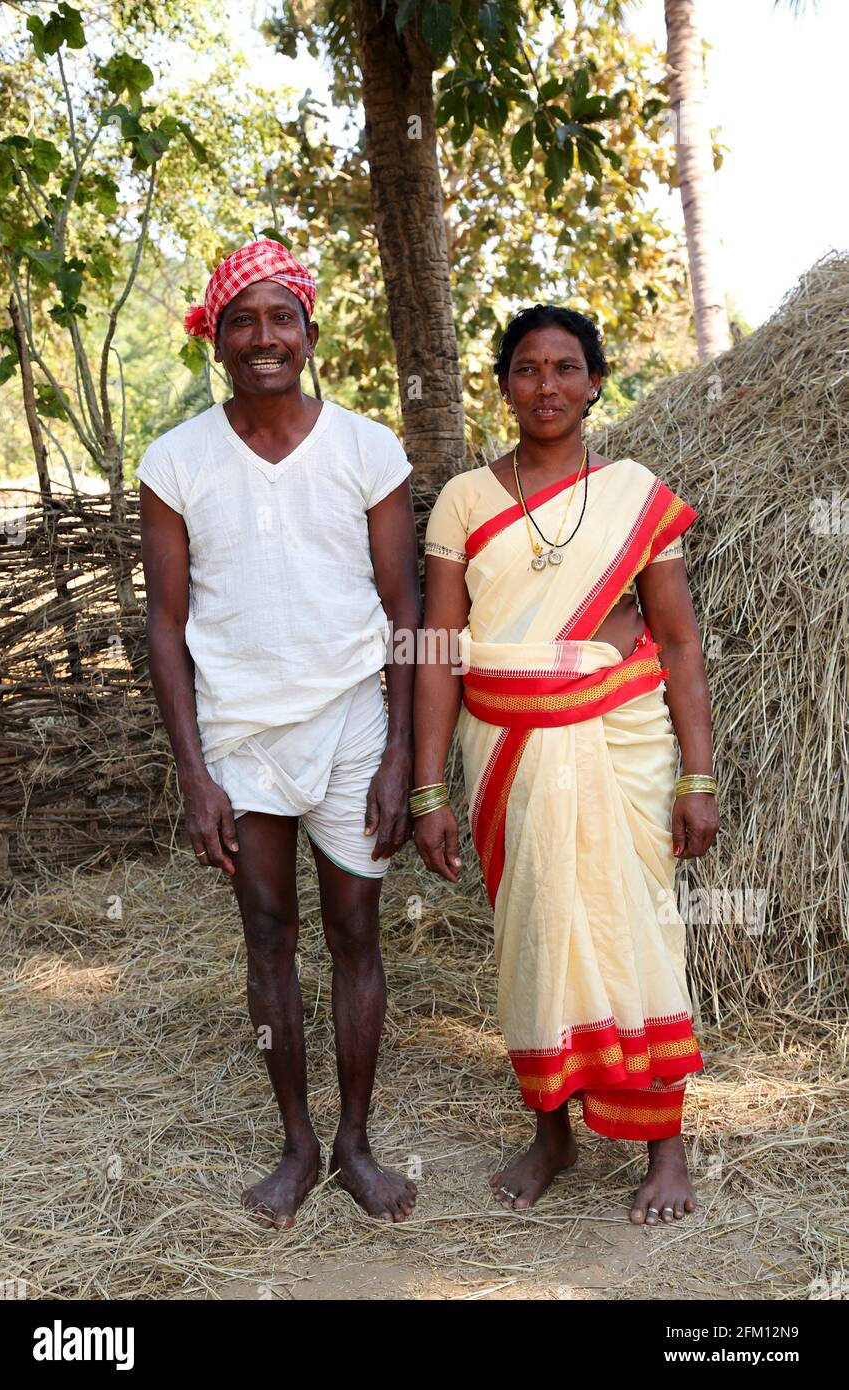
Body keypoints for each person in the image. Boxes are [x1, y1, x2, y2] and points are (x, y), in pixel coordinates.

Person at [413, 305, 719, 1225]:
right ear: (502, 384)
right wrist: (430, 786)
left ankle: (665, 1147)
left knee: (636, 927)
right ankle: (552, 1135)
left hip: (620, 744)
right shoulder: (465, 498)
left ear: (595, 381)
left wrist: (697, 776)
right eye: (527, 369)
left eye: (565, 368)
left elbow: (676, 638)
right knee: (536, 935)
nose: (546, 386)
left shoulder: (633, 492)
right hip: (505, 750)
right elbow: (438, 646)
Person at [136, 238, 420, 1228]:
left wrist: (399, 755)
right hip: (240, 737)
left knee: (354, 934)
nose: (264, 338)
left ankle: (354, 1141)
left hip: (350, 724)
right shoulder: (174, 461)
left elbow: (403, 606)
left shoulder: (365, 448)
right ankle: (296, 1143)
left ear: (308, 332)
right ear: (215, 339)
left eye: (280, 318)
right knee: (267, 936)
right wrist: (194, 776)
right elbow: (164, 626)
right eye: (242, 320)